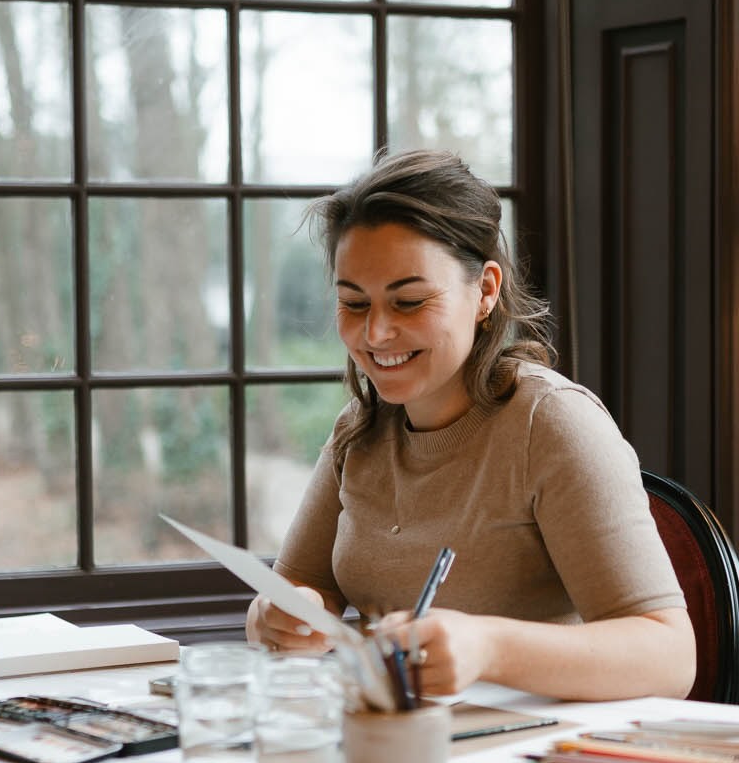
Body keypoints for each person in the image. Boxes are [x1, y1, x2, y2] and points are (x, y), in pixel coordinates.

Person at [246, 149, 696, 701]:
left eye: (409, 301)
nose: (377, 333)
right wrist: (280, 617)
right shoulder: (358, 430)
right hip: (398, 741)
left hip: (534, 757)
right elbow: (300, 587)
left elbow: (672, 656)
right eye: (354, 303)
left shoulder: (552, 424)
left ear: (485, 291)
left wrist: (487, 647)